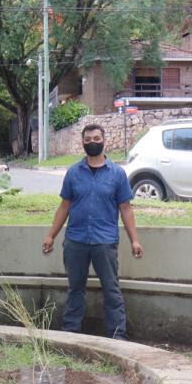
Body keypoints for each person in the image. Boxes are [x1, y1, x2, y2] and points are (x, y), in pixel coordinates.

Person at [42, 124, 142, 339]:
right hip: (75, 240)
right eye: (88, 139)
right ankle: (71, 332)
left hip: (104, 242)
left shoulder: (117, 174)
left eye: (96, 138)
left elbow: (126, 208)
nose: (92, 142)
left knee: (111, 289)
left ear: (103, 140)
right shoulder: (73, 173)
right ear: (83, 143)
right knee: (75, 288)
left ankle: (117, 335)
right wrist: (51, 235)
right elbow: (65, 206)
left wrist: (135, 240)